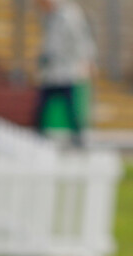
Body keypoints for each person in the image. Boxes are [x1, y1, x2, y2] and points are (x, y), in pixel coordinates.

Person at [33, 0, 96, 147]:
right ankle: (38, 135)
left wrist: (87, 60)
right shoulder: (49, 16)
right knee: (42, 105)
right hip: (52, 72)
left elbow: (82, 40)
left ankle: (78, 137)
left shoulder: (69, 15)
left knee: (71, 107)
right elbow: (49, 43)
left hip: (67, 70)